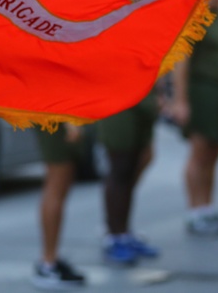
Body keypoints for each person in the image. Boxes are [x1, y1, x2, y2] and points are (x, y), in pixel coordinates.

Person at [169, 0, 218, 236]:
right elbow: (182, 61)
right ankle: (194, 210)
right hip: (201, 88)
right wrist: (181, 100)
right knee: (199, 151)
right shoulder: (195, 16)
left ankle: (207, 207)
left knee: (214, 150)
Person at [97, 88, 161, 266]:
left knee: (135, 162)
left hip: (143, 92)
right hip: (115, 93)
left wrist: (160, 91)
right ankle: (115, 237)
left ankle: (124, 232)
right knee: (120, 167)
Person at [30, 123, 88, 288]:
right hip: (56, 116)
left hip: (59, 115)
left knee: (61, 183)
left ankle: (51, 259)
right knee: (57, 182)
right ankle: (48, 264)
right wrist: (69, 121)